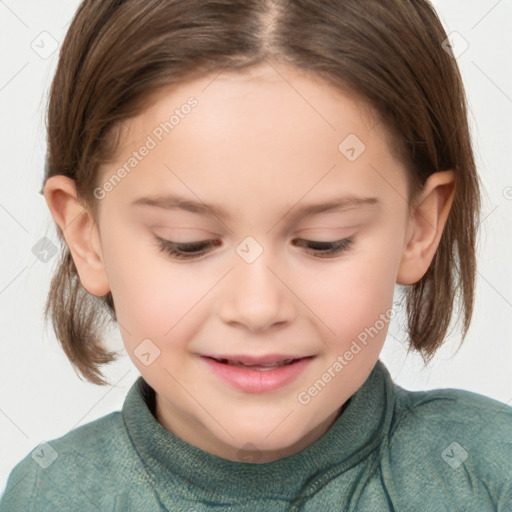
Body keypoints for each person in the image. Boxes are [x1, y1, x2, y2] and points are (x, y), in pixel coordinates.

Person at [1, 0, 511, 510]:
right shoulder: (52, 495)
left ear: (418, 228)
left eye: (324, 242)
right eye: (188, 243)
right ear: (86, 237)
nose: (258, 307)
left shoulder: (488, 472)